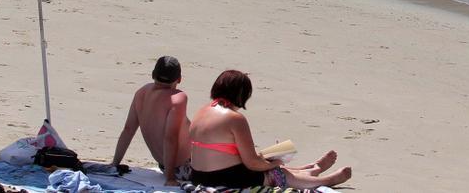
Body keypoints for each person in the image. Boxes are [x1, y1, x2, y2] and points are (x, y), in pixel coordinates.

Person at [188, 70, 352, 190]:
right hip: (221, 178)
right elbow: (251, 163)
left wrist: (268, 159)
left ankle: (308, 170)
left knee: (266, 160)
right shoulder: (235, 119)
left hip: (197, 175)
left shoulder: (202, 111)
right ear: (241, 94)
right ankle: (326, 180)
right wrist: (277, 162)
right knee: (276, 173)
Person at [112, 56, 192, 186]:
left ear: (153, 74)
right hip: (187, 168)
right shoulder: (178, 98)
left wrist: (115, 163)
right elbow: (170, 138)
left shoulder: (141, 93)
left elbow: (128, 130)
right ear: (179, 79)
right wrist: (170, 178)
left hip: (164, 166)